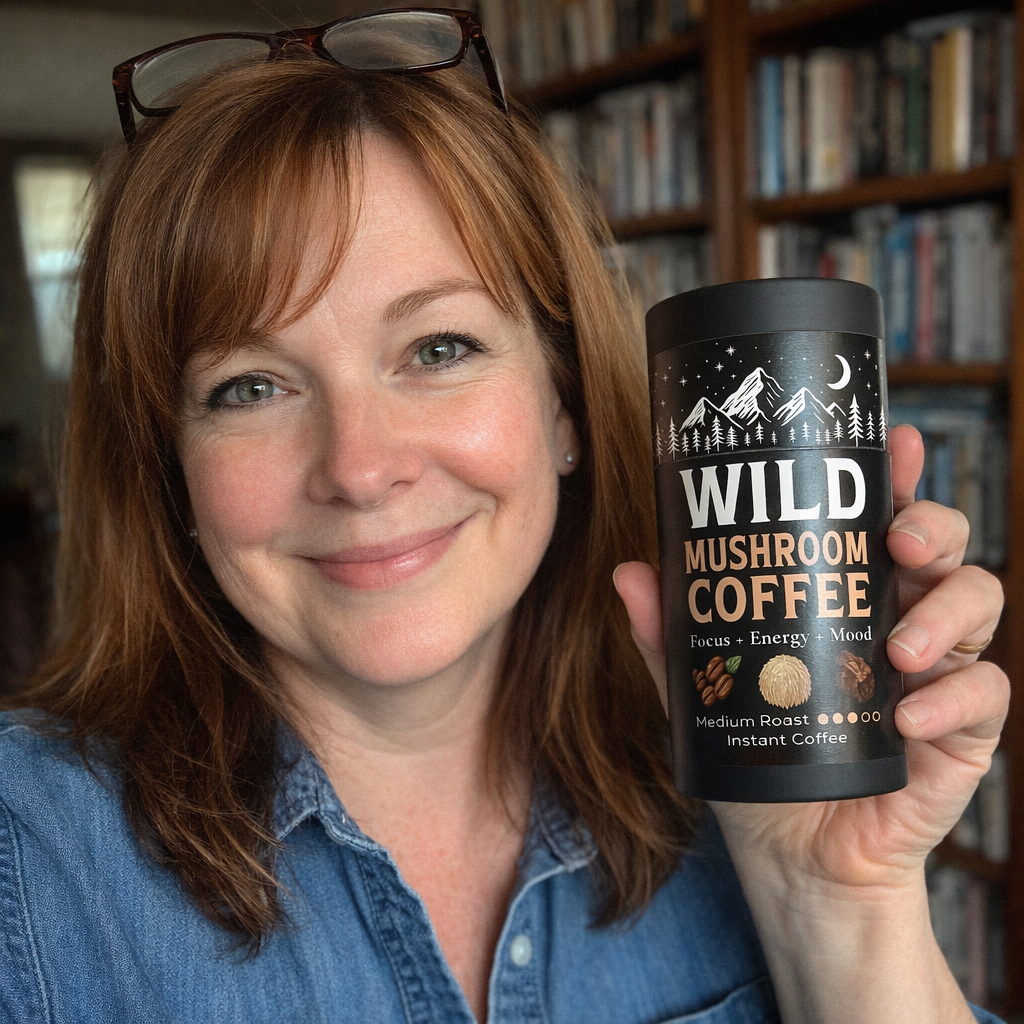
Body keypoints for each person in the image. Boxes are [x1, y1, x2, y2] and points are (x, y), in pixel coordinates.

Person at [0, 10, 1008, 1023]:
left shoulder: (733, 773)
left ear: (562, 403)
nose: (359, 468)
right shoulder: (26, 857)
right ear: (169, 464)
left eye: (438, 349)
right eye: (249, 387)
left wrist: (840, 908)